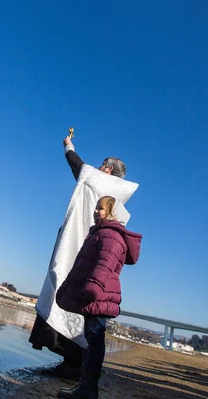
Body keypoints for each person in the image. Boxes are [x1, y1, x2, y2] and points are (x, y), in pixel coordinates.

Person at [29, 134, 137, 380]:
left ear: (107, 169)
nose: (97, 168)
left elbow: (76, 163)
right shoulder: (117, 200)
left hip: (76, 245)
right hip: (94, 253)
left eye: (101, 165)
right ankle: (77, 363)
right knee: (85, 313)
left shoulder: (96, 179)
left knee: (64, 292)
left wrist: (68, 145)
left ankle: (73, 367)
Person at [55, 196, 142, 398]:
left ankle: (88, 388)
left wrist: (92, 289)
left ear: (112, 212)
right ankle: (86, 387)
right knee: (93, 338)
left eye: (100, 209)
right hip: (98, 295)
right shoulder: (103, 232)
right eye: (96, 207)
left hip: (98, 296)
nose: (96, 211)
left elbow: (105, 264)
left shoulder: (111, 235)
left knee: (95, 339)